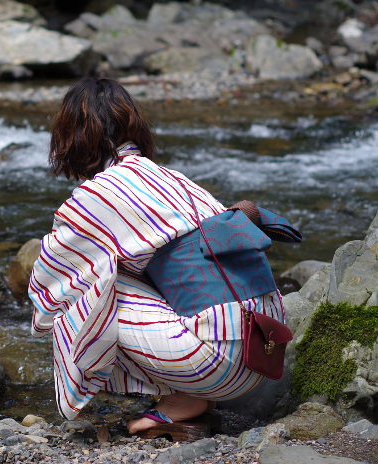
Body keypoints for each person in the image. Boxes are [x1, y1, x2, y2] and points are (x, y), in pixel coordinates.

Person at [27, 77, 292, 435]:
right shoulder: (173, 177)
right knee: (124, 268)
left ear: (70, 137)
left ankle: (187, 389)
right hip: (268, 352)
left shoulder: (96, 195)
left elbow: (47, 290)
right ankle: (186, 396)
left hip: (219, 365)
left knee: (91, 284)